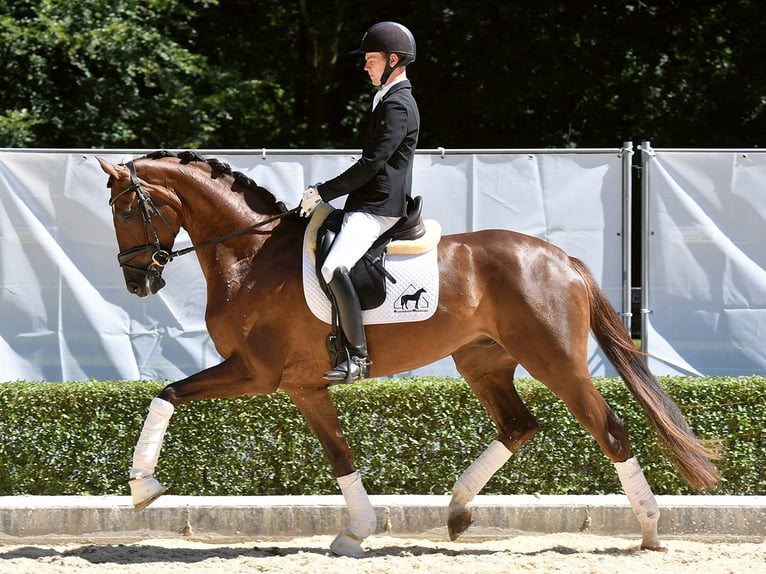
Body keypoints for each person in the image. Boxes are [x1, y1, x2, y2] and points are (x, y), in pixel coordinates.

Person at [299, 21, 420, 382]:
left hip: (378, 207)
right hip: (366, 202)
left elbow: (372, 164)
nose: (365, 65)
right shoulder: (385, 98)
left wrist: (324, 192)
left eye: (371, 59)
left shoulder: (399, 105)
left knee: (333, 267)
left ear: (393, 60)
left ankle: (358, 358)